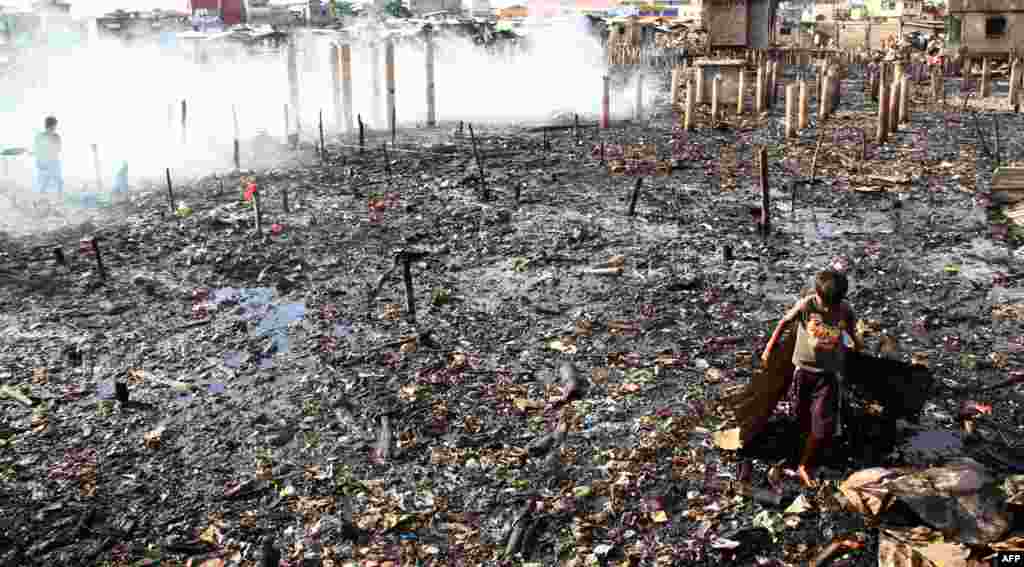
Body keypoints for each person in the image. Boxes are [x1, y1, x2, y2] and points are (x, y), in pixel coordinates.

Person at [760, 270, 864, 488]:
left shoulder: (843, 309)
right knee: (798, 417)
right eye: (824, 303)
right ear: (816, 293)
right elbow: (784, 323)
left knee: (822, 425)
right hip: (802, 371)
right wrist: (769, 348)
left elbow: (852, 332)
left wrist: (856, 345)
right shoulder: (806, 306)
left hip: (827, 376)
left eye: (832, 304)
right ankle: (794, 453)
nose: (828, 309)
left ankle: (805, 465)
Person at [33, 115, 63, 203]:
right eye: (54, 125)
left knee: (58, 181)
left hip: (53, 162)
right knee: (44, 183)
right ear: (50, 125)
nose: (55, 127)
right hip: (45, 162)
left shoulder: (56, 136)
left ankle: (58, 199)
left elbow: (58, 149)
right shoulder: (41, 136)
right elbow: (37, 149)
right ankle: (41, 200)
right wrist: (39, 162)